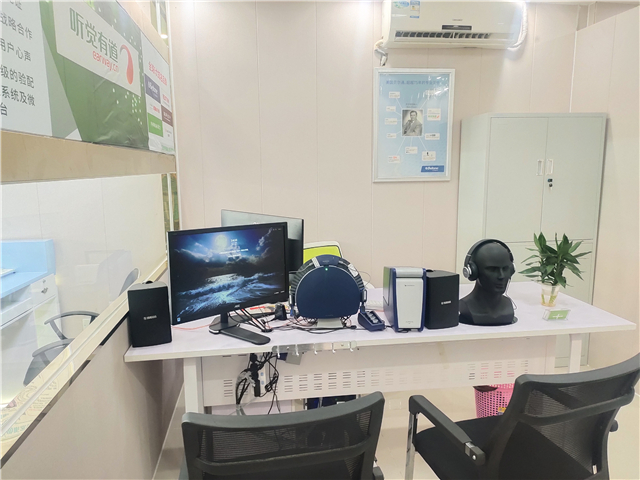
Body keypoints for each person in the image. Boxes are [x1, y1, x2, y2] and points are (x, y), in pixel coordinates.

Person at [459, 242, 515, 326]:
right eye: (492, 270)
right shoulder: (465, 305)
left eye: (505, 269)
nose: (501, 276)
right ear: (473, 272)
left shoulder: (508, 305)